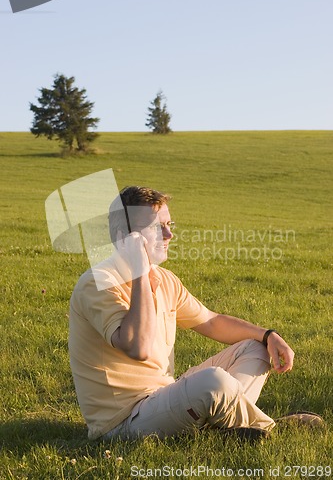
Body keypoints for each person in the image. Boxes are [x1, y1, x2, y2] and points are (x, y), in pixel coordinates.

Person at [69, 185, 316, 442]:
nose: (169, 234)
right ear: (125, 238)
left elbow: (210, 321)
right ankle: (270, 429)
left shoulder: (164, 279)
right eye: (156, 227)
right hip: (124, 421)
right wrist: (140, 271)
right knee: (213, 383)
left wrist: (268, 335)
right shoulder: (98, 282)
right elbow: (137, 347)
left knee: (254, 347)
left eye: (169, 223)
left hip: (162, 396)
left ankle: (228, 426)